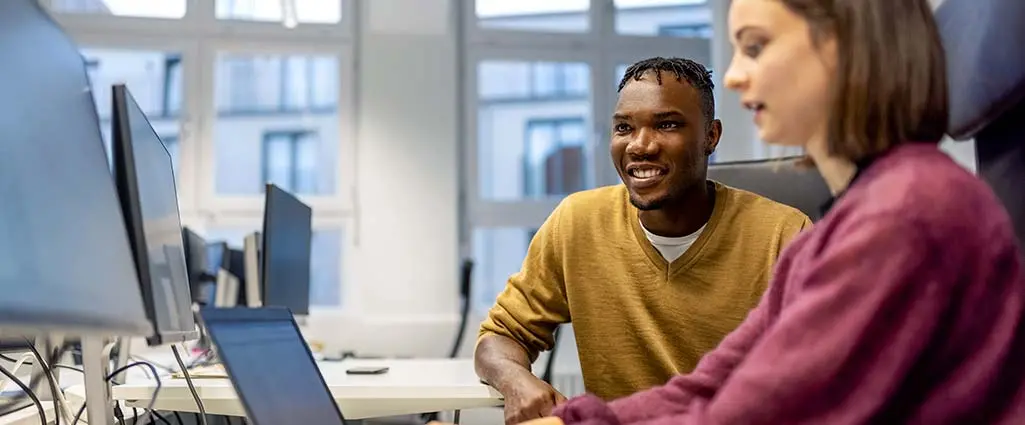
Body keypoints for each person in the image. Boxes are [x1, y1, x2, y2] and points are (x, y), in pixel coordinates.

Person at [533, 0, 1025, 424]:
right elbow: (709, 386)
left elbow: (753, 416)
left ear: (843, 47)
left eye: (755, 47)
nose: (733, 74)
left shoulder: (907, 216)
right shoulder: (839, 229)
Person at [474, 56, 812, 425]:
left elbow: (809, 381)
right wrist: (516, 380)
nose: (640, 145)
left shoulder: (784, 236)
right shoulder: (577, 222)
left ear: (711, 136)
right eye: (624, 128)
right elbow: (500, 336)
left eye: (667, 124)